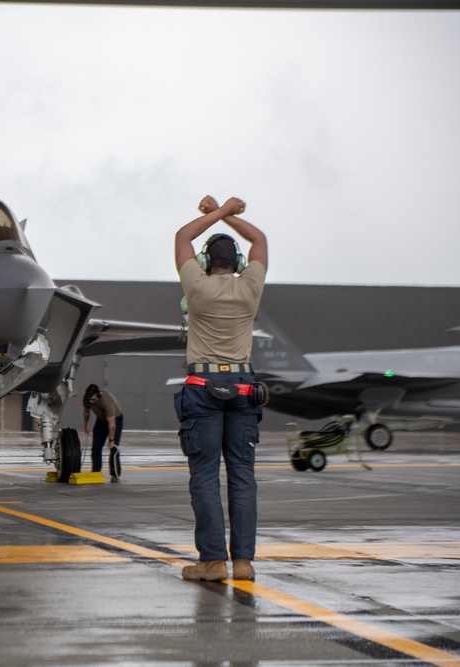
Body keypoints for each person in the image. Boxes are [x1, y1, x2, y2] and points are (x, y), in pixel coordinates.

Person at [173, 195, 268, 582]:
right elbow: (259, 239)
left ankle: (213, 561)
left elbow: (182, 236)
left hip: (203, 387)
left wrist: (215, 213)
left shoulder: (196, 287)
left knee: (205, 474)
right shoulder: (250, 288)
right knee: (242, 475)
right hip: (244, 386)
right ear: (240, 264)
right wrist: (231, 214)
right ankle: (243, 562)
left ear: (206, 263)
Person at [82, 383, 124, 482]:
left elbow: (112, 423)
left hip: (115, 420)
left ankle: (115, 475)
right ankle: (96, 472)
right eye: (89, 400)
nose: (90, 402)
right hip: (101, 420)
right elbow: (86, 411)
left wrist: (111, 440)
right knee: (96, 447)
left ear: (98, 395)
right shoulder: (87, 398)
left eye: (93, 399)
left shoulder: (106, 400)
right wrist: (86, 426)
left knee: (113, 448)